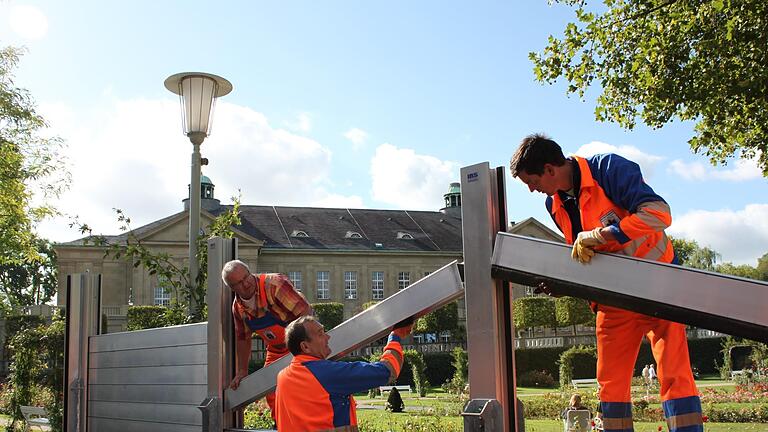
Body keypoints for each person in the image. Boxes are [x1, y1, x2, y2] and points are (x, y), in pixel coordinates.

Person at [509, 134, 703, 432]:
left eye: (531, 181)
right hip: (613, 299)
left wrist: (603, 234)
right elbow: (586, 255)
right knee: (610, 383)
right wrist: (564, 284)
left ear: (550, 169)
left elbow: (659, 214)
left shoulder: (608, 169)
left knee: (674, 373)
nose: (532, 189)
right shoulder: (555, 204)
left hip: (660, 285)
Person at [275, 315, 412, 431]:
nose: (328, 337)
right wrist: (395, 337)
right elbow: (387, 371)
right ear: (305, 346)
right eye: (320, 334)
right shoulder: (327, 374)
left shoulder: (283, 376)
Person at [221, 259, 312, 421]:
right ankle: (282, 425)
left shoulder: (274, 285)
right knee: (272, 392)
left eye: (246, 277)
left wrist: (303, 349)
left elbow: (305, 312)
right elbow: (243, 338)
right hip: (276, 349)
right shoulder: (238, 308)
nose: (246, 284)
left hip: (301, 343)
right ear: (232, 288)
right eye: (239, 283)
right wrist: (242, 370)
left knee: (304, 386)